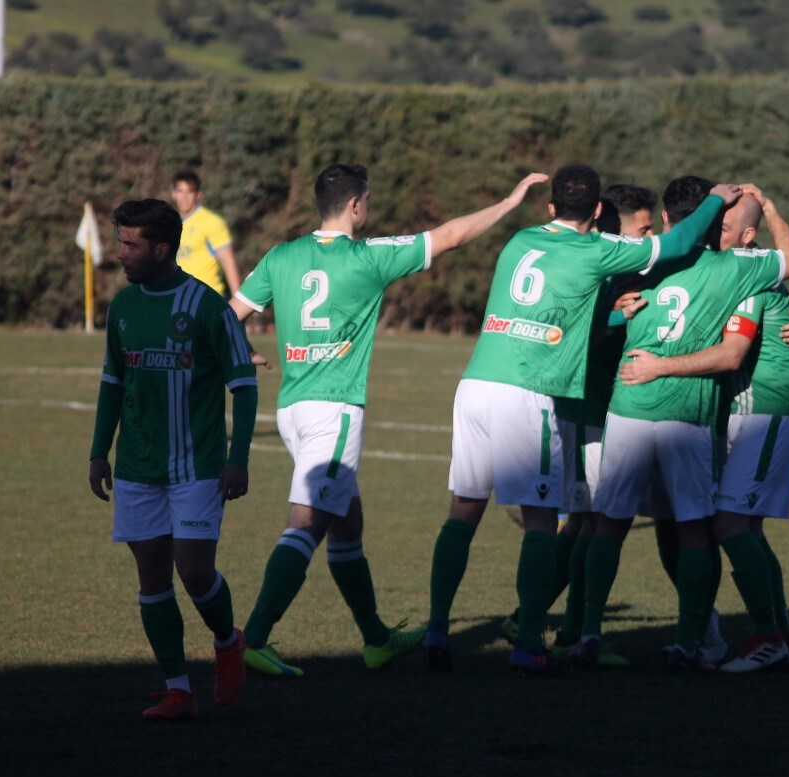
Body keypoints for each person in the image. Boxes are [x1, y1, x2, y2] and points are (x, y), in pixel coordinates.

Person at [229, 164, 549, 678]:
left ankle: (376, 638)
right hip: (334, 410)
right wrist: (510, 204)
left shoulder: (280, 256)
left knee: (346, 521)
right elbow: (450, 236)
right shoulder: (368, 257)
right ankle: (254, 637)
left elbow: (231, 315)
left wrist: (241, 353)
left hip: (291, 408)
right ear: (357, 204)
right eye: (368, 202)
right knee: (308, 524)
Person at [424, 163, 739, 674]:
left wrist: (616, 315)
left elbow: (565, 316)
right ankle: (528, 642)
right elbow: (677, 245)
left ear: (551, 209)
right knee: (544, 522)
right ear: (597, 212)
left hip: (475, 383)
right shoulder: (598, 249)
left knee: (463, 509)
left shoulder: (521, 241)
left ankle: (437, 628)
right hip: (526, 392)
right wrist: (715, 200)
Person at [575, 178, 789, 673]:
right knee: (697, 531)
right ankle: (689, 641)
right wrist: (766, 203)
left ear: (664, 221)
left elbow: (587, 316)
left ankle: (590, 630)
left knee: (609, 525)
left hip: (629, 406)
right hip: (688, 416)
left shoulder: (638, 260)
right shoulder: (735, 269)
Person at [88, 198, 258, 721]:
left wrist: (238, 457)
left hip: (198, 465)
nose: (120, 253)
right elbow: (113, 383)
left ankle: (228, 643)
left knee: (194, 569)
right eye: (120, 242)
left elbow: (244, 385)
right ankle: (178, 690)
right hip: (139, 466)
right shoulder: (122, 307)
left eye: (130, 245)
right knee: (151, 575)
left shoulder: (207, 308)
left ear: (162, 249)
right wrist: (99, 451)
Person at [497, 183, 658, 667]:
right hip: (588, 410)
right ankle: (580, 631)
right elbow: (571, 331)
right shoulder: (600, 269)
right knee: (603, 520)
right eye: (644, 229)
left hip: (593, 409)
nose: (652, 237)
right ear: (616, 225)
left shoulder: (617, 267)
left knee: (588, 522)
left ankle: (555, 623)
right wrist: (615, 318)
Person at [171, 170, 242, 298]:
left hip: (206, 298)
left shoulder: (212, 222)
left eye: (189, 192)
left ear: (198, 195)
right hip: (177, 300)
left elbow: (229, 262)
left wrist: (237, 306)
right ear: (173, 194)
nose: (184, 197)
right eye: (180, 191)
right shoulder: (169, 224)